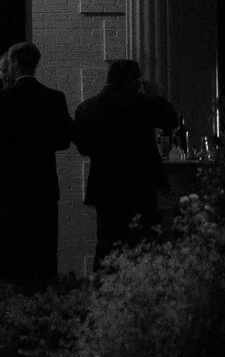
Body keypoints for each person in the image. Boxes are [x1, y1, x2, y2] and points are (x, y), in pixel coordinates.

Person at [0, 41, 77, 285]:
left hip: (7, 187)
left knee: (10, 254)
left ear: (15, 64)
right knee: (42, 254)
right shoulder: (54, 98)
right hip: (42, 186)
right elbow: (62, 141)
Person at [74, 59, 182, 264]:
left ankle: (104, 288)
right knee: (143, 244)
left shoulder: (86, 108)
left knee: (107, 244)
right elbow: (170, 121)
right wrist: (155, 95)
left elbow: (84, 147)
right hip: (141, 185)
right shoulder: (142, 104)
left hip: (105, 188)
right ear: (133, 81)